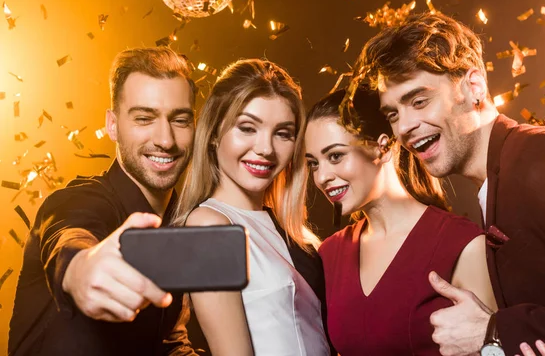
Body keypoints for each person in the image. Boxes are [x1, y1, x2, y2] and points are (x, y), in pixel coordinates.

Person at [359, 12, 545, 356]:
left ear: (474, 86)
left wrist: (495, 331)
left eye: (419, 101)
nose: (404, 128)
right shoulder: (503, 175)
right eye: (393, 114)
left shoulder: (541, 159)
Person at [9, 47, 199, 356]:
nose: (165, 139)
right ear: (112, 125)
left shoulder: (182, 222)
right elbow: (69, 235)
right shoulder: (78, 200)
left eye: (179, 120)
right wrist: (81, 270)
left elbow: (167, 343)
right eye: (144, 118)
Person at [304, 87, 497, 355]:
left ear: (383, 148)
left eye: (335, 156)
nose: (322, 176)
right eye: (313, 163)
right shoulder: (330, 254)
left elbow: (493, 346)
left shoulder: (462, 244)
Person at [173, 59, 331, 356]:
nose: (266, 148)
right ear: (215, 132)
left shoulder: (292, 233)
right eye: (247, 128)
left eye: (283, 133)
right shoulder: (208, 227)